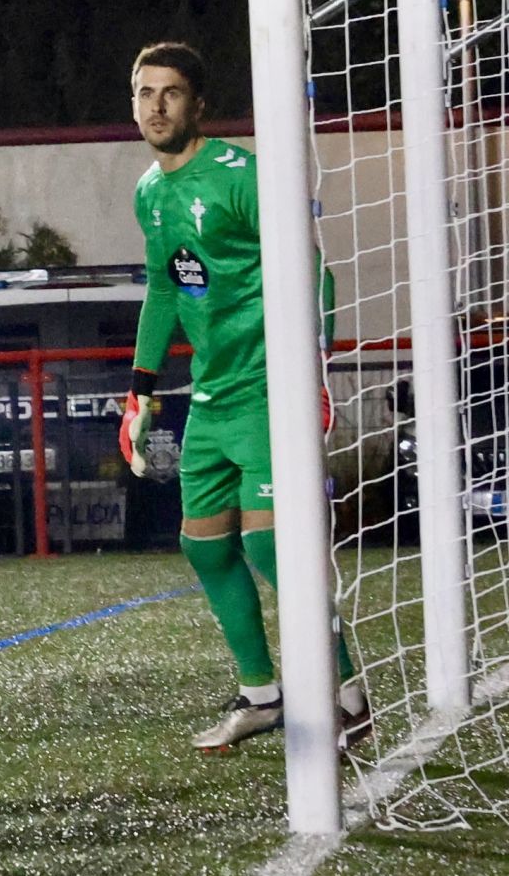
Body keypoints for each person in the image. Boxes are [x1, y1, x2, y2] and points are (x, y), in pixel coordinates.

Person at [118, 41, 368, 753]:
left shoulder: (240, 177)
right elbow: (167, 287)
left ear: (198, 103)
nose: (156, 106)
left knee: (266, 546)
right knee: (206, 550)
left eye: (170, 93)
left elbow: (313, 270)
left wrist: (313, 372)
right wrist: (139, 391)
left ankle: (347, 692)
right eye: (144, 92)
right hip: (212, 396)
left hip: (268, 386)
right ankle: (262, 695)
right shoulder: (148, 192)